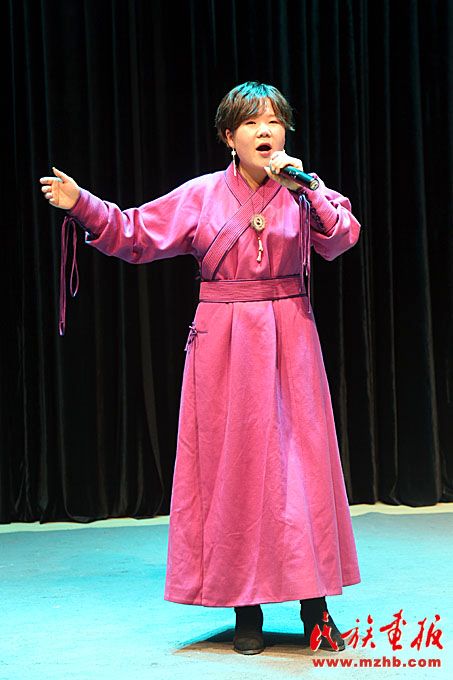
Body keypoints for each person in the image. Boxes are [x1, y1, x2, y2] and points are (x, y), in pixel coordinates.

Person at [40, 81, 361, 655]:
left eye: (274, 121)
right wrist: (82, 203)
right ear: (228, 137)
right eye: (252, 122)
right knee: (233, 471)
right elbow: (135, 233)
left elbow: (341, 238)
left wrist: (307, 187)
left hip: (290, 335)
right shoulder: (202, 194)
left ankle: (315, 608)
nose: (265, 131)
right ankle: (245, 610)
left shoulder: (302, 191)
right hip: (224, 342)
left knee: (302, 470)